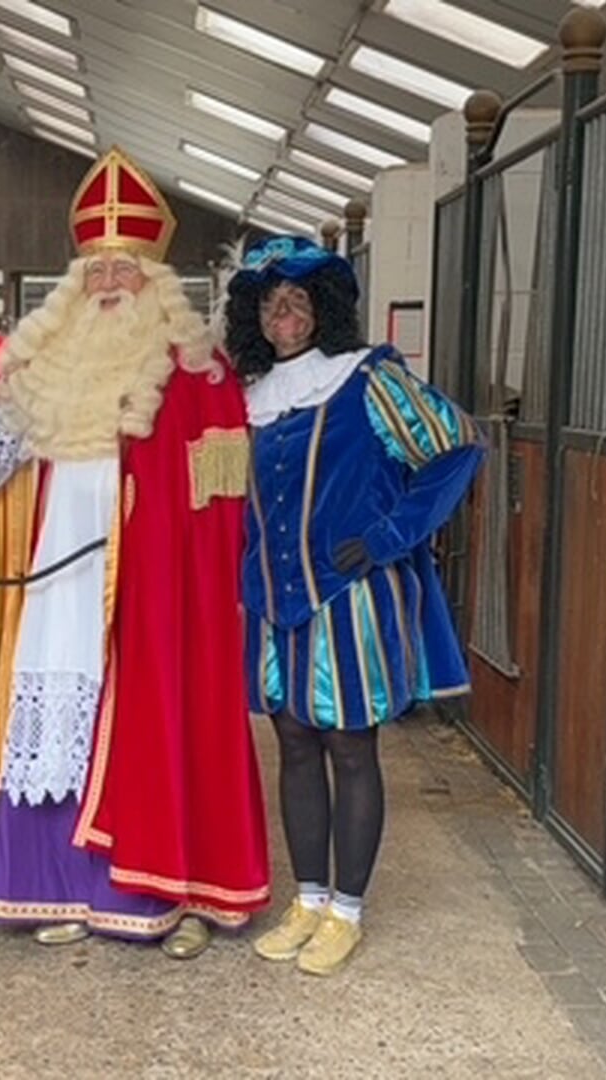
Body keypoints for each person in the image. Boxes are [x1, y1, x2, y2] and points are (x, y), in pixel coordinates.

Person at [0, 147, 269, 958]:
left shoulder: (198, 378)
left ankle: (180, 896)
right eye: (94, 267)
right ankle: (58, 891)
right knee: (59, 731)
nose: (106, 283)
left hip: (157, 600)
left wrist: (176, 579)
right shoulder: (47, 370)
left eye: (124, 268)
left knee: (165, 727)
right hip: (60, 593)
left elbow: (222, 518)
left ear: (155, 279)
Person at [222, 234, 483, 976]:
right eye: (271, 302)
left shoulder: (367, 381)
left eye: (299, 300)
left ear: (324, 308)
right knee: (296, 744)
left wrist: (389, 534)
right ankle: (307, 899)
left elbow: (459, 444)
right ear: (254, 315)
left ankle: (348, 912)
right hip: (276, 603)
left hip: (350, 596)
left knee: (351, 747)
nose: (285, 313)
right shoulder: (249, 397)